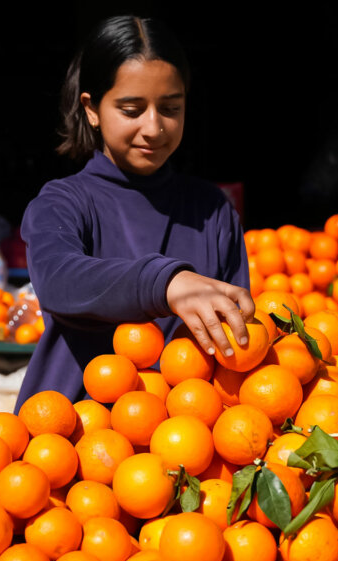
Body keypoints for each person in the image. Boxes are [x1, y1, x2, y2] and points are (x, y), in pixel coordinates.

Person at [16, 15, 254, 406]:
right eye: (131, 110)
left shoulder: (212, 210)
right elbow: (59, 280)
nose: (154, 127)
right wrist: (166, 284)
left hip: (185, 443)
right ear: (92, 109)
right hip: (67, 442)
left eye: (170, 108)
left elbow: (238, 340)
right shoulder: (62, 202)